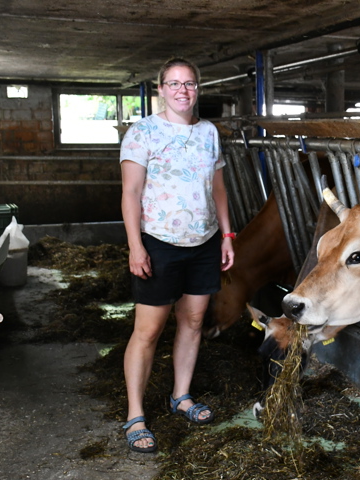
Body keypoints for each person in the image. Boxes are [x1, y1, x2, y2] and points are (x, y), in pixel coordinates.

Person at [119, 57, 235, 453]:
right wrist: (136, 245)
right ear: (161, 90)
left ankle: (180, 396)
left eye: (189, 84)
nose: (182, 90)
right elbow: (131, 193)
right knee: (148, 330)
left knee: (194, 320)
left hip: (203, 242)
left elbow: (217, 187)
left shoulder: (209, 133)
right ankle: (135, 414)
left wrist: (226, 234)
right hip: (159, 241)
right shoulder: (142, 132)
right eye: (174, 83)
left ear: (197, 89)